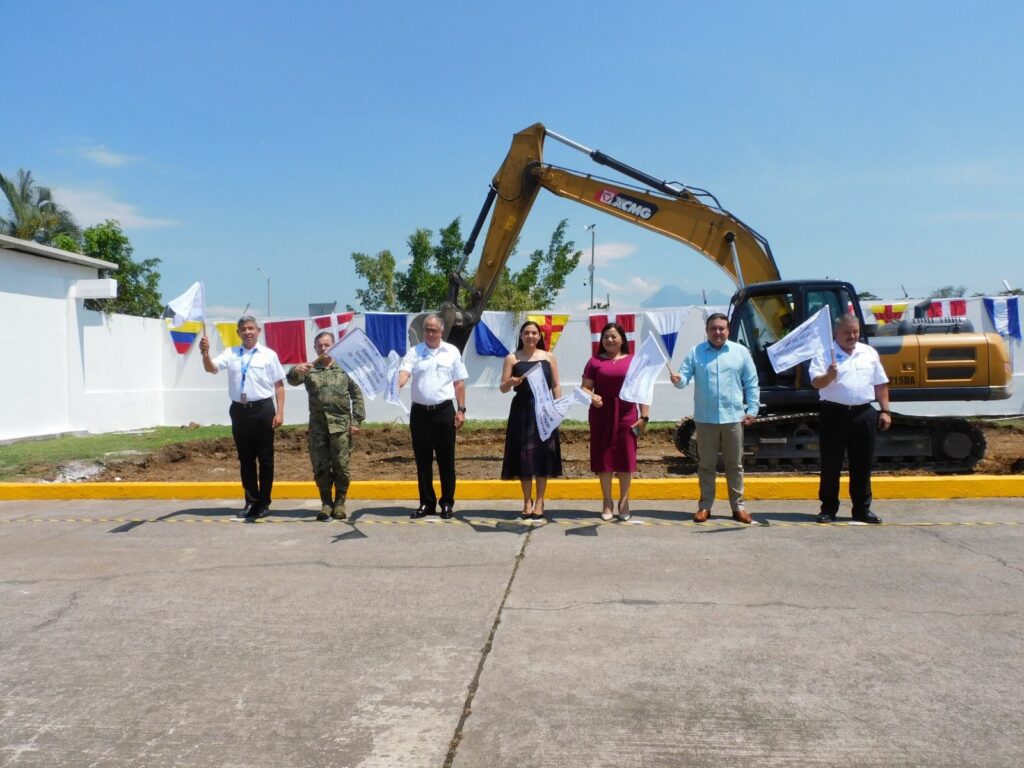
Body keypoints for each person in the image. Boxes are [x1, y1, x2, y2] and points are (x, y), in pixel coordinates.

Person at [670, 312, 760, 524]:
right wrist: (677, 379)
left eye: (722, 328)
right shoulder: (696, 352)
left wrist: (753, 409)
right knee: (706, 466)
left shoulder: (740, 353)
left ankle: (738, 507)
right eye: (713, 329)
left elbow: (751, 382)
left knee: (734, 465)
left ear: (728, 330)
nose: (717, 332)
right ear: (707, 331)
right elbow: (683, 378)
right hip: (705, 419)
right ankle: (705, 506)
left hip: (733, 418)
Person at [199, 316, 285, 519]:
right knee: (245, 459)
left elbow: (279, 385)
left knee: (265, 459)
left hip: (263, 409)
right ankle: (251, 501)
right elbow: (211, 368)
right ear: (238, 333)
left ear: (258, 331)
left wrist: (280, 412)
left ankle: (264, 502)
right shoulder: (231, 353)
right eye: (243, 329)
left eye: (251, 328)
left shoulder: (269, 355)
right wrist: (205, 353)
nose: (248, 332)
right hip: (239, 411)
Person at [809, 313, 891, 524]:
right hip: (833, 413)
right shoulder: (824, 354)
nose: (852, 336)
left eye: (855, 332)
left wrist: (885, 411)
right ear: (836, 332)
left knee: (862, 464)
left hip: (863, 413)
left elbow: (880, 383)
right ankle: (828, 509)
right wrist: (829, 375)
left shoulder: (869, 353)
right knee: (831, 463)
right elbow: (816, 383)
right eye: (847, 332)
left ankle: (862, 509)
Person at [287, 331, 365, 522]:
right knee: (320, 467)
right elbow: (291, 379)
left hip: (341, 428)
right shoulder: (309, 369)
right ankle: (326, 503)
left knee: (341, 466)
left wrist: (356, 421)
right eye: (320, 345)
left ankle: (340, 502)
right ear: (315, 348)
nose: (323, 348)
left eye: (327, 344)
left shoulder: (346, 369)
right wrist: (296, 370)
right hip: (318, 429)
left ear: (334, 346)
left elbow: (357, 396)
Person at [397, 314, 468, 520]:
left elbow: (459, 383)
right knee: (423, 461)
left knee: (446, 460)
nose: (430, 333)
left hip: (444, 412)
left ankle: (446, 503)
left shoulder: (452, 352)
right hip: (420, 414)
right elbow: (404, 372)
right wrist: (397, 385)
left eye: (434, 330)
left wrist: (461, 409)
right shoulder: (415, 352)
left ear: (441, 331)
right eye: (427, 329)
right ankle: (427, 503)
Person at [581, 322, 649, 522]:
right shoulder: (594, 362)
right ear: (601, 341)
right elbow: (584, 388)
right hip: (601, 414)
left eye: (613, 336)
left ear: (622, 339)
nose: (610, 340)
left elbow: (644, 391)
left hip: (627, 413)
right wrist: (592, 397)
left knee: (626, 459)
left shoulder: (633, 361)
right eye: (606, 337)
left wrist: (644, 417)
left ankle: (624, 502)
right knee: (604, 459)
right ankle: (607, 501)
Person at [500, 320, 563, 520]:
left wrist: (558, 407)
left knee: (543, 456)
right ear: (521, 336)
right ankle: (527, 500)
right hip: (522, 412)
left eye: (534, 333)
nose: (530, 336)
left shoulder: (548, 357)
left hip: (544, 411)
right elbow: (503, 388)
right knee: (524, 457)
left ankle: (540, 500)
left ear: (539, 336)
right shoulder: (512, 358)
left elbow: (556, 385)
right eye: (526, 333)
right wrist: (510, 382)